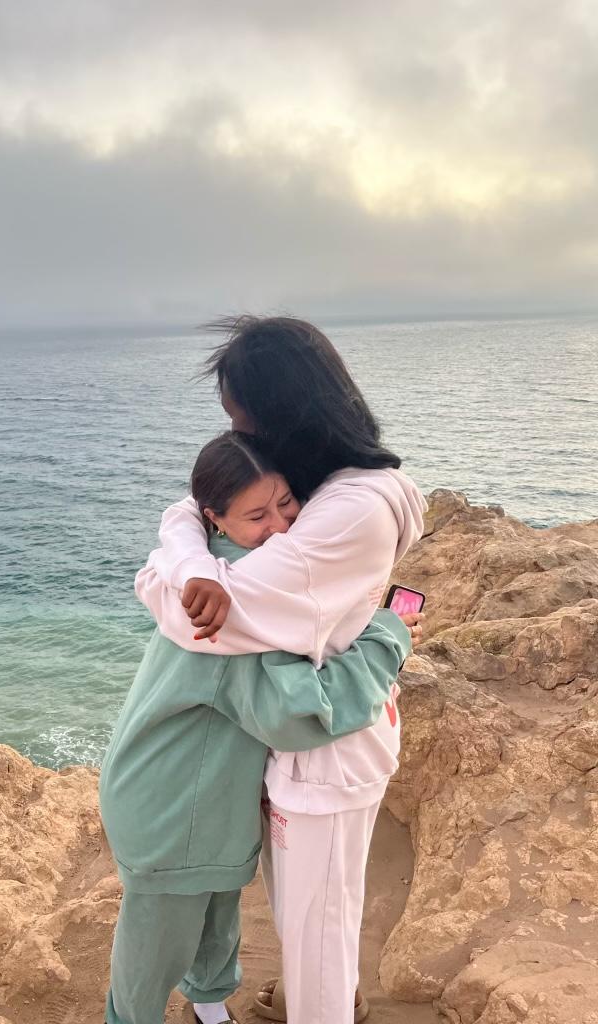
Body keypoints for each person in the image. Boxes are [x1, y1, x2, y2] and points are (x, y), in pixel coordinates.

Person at [134, 316, 427, 1024]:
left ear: (283, 415)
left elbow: (191, 618)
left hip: (325, 755)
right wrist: (197, 560)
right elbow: (188, 509)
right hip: (300, 745)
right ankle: (311, 999)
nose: (239, 438)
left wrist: (179, 573)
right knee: (309, 927)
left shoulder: (347, 513)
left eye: (242, 420)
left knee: (319, 935)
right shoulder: (320, 483)